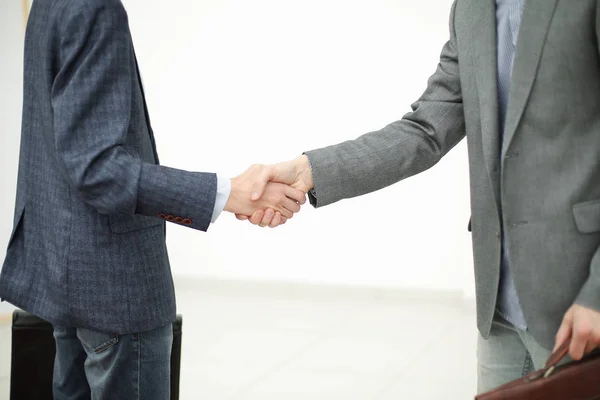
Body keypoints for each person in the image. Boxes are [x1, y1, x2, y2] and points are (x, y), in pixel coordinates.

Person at [242, 0, 600, 393]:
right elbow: (426, 131)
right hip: (498, 307)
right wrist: (310, 169)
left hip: (580, 300)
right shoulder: (471, 10)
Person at [0, 0, 304, 398]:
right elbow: (98, 169)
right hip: (114, 285)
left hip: (65, 266)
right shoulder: (94, 7)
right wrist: (227, 193)